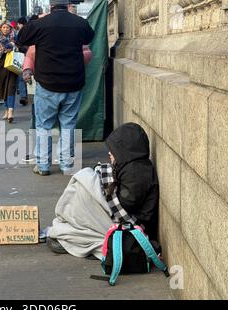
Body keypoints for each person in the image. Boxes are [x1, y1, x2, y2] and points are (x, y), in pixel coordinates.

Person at [47, 123, 160, 259]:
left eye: (114, 150)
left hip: (132, 223)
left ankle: (77, 230)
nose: (109, 153)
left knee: (85, 186)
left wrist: (100, 188)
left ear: (125, 151)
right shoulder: (131, 166)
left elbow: (125, 204)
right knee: (84, 183)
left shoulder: (137, 172)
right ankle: (74, 223)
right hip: (125, 213)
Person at [17, 0, 95, 176]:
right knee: (68, 125)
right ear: (67, 5)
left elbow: (20, 38)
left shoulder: (40, 24)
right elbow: (89, 37)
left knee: (43, 125)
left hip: (47, 83)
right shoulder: (79, 23)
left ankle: (43, 166)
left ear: (50, 6)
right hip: (73, 83)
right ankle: (66, 165)